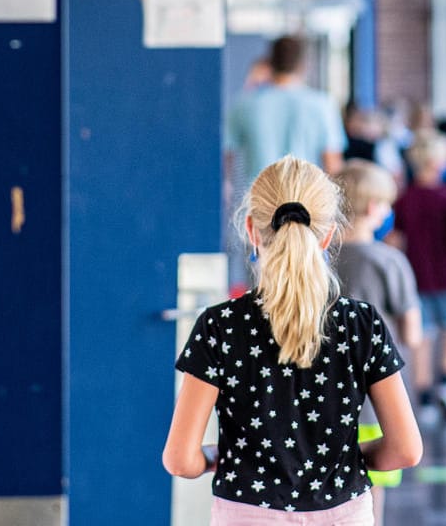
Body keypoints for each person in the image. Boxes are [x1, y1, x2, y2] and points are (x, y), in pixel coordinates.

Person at [163, 157, 422, 524]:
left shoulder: (219, 326)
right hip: (343, 512)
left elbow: (179, 459)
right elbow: (406, 450)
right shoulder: (362, 324)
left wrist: (216, 456)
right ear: (329, 235)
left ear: (251, 231)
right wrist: (345, 457)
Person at [332, 165, 422, 522]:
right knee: (373, 484)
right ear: (373, 208)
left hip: (323, 395)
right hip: (376, 398)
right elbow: (412, 332)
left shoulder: (320, 260)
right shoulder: (390, 261)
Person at [389, 131, 446, 419]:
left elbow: (395, 240)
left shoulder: (405, 199)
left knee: (421, 334)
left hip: (415, 276)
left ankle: (423, 393)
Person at [227, 36, 345, 191]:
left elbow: (227, 158)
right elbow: (333, 166)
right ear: (303, 65)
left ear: (270, 63)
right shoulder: (322, 105)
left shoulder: (245, 104)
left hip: (259, 202)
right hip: (305, 201)